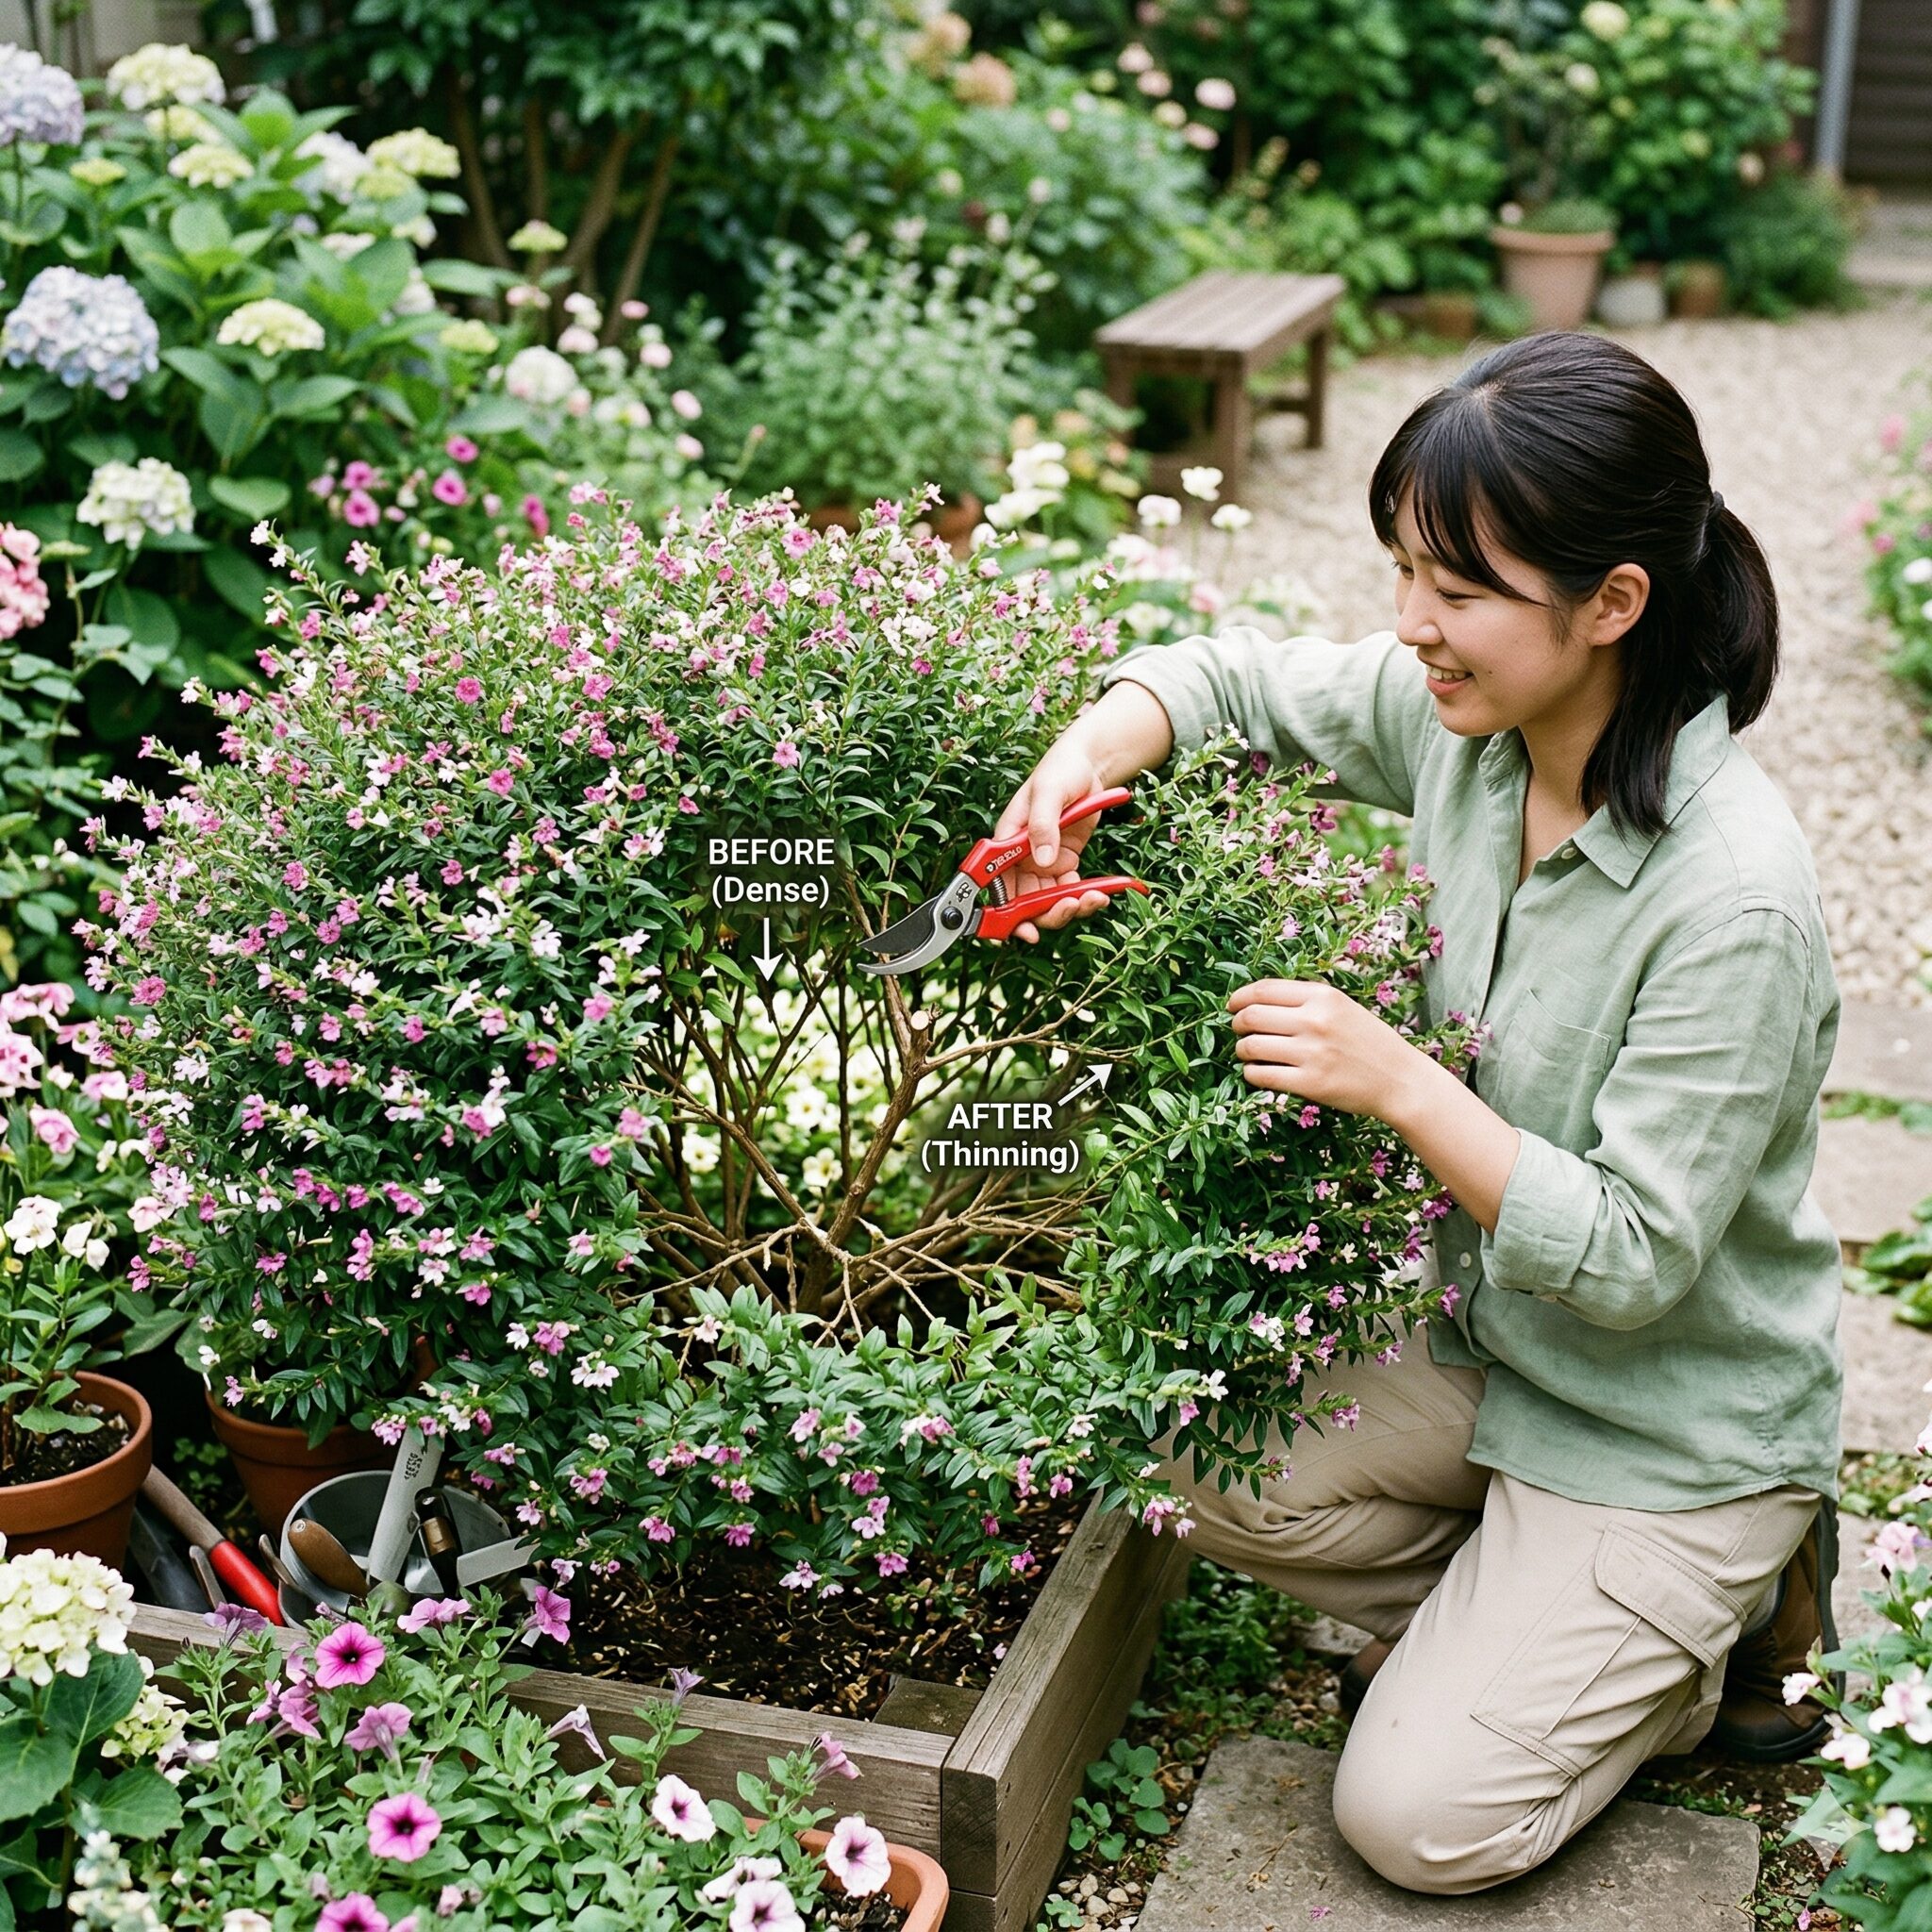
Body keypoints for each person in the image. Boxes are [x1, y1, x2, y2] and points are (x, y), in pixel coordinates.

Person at [992, 330, 1845, 1895]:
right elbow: (1232, 677)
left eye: (1457, 590)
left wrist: (1398, 1080)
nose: (1412, 628)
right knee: (1195, 1455)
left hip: (1666, 1427)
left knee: (1417, 1821)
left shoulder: (1734, 903)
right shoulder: (1478, 733)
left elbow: (1643, 1259)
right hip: (1494, 1354)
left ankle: (1722, 1614)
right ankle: (1540, 1630)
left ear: (1613, 604)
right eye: (1403, 574)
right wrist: (1079, 763)